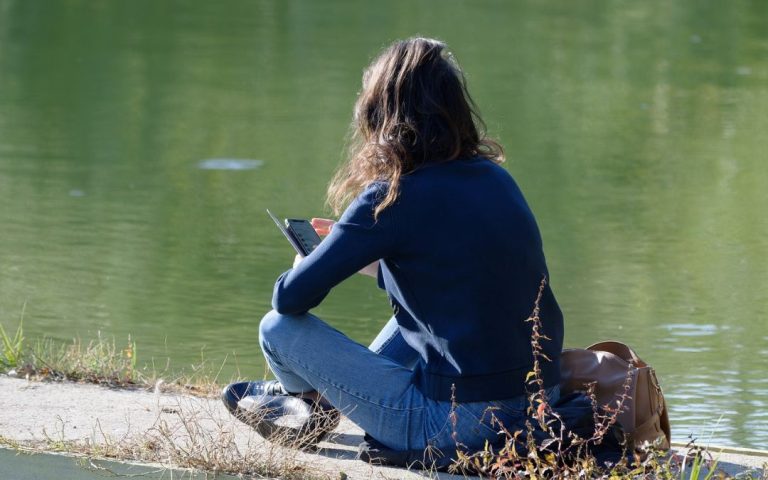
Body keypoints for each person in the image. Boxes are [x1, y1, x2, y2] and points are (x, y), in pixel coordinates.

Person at [232, 37, 564, 464]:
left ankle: (308, 406)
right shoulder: (496, 179)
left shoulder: (390, 197)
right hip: (541, 406)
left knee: (276, 329)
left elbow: (289, 299)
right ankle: (326, 400)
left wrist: (308, 261)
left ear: (380, 116)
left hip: (455, 426)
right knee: (421, 308)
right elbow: (458, 279)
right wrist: (375, 263)